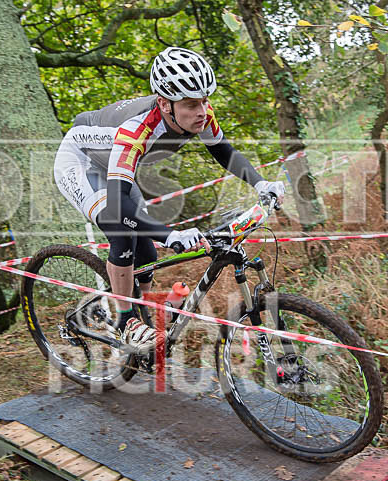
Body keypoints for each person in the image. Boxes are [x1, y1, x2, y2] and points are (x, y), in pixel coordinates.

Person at [54, 46, 285, 350]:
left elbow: (223, 151)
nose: (201, 111)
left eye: (204, 100)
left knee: (147, 254)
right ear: (165, 104)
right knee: (120, 228)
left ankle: (141, 313)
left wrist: (261, 183)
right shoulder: (137, 129)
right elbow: (118, 205)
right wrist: (171, 234)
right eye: (191, 104)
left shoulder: (199, 112)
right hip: (80, 161)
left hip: (111, 163)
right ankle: (126, 321)